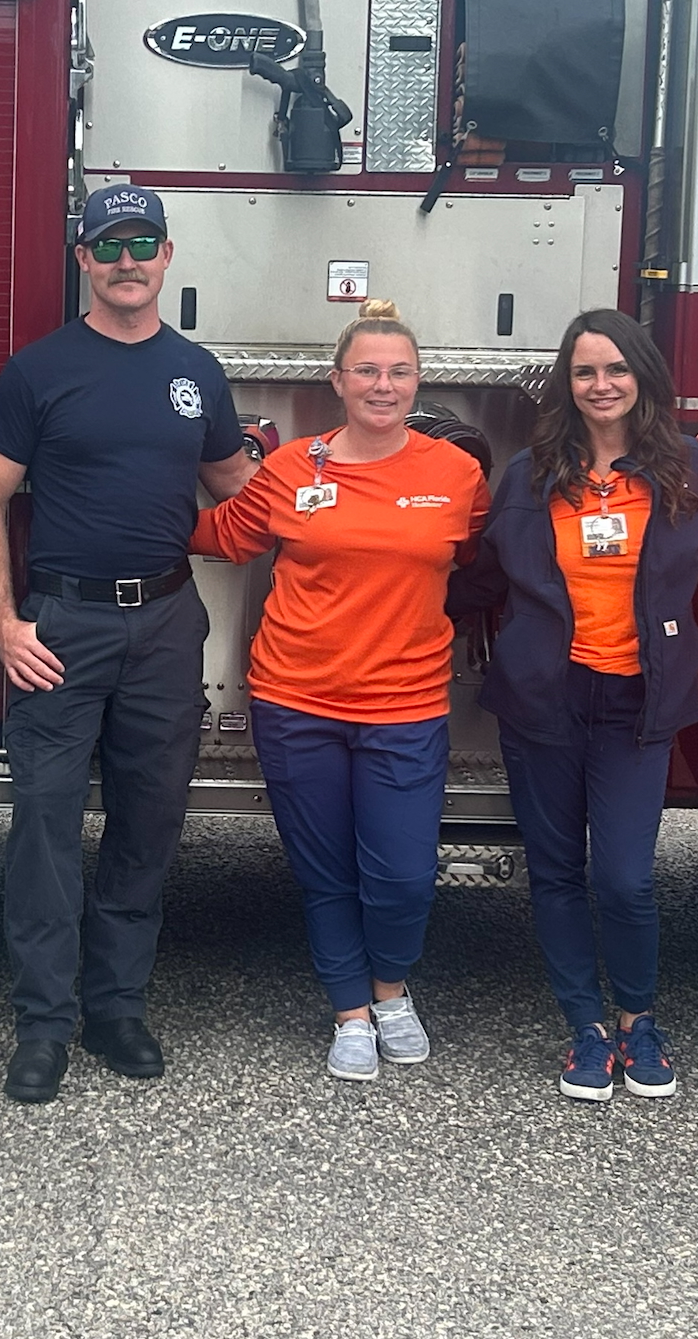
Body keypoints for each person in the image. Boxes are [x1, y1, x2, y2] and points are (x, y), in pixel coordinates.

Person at [0, 184, 254, 1105]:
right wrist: (5, 624)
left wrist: (327, 477)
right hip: (62, 626)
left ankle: (117, 1008)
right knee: (45, 829)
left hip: (167, 624)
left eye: (143, 244)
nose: (127, 261)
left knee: (148, 821)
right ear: (83, 260)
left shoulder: (196, 372)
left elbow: (236, 487)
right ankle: (44, 1024)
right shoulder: (39, 370)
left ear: (168, 256)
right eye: (108, 245)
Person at [190, 301, 487, 1081]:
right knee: (323, 869)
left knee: (401, 874)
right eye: (367, 371)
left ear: (418, 382)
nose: (382, 386)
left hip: (407, 706)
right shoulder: (293, 468)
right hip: (297, 701)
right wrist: (125, 496)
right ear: (338, 381)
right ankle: (351, 1011)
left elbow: (490, 561)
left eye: (398, 372)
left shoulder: (456, 475)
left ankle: (392, 991)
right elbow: (222, 536)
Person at [466, 309, 698, 1103]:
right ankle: (585, 1026)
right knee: (556, 873)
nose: (600, 385)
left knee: (626, 877)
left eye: (614, 369)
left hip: (637, 699)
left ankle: (640, 1019)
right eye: (584, 372)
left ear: (641, 375)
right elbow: (485, 575)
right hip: (547, 697)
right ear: (565, 386)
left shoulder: (683, 467)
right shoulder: (530, 474)